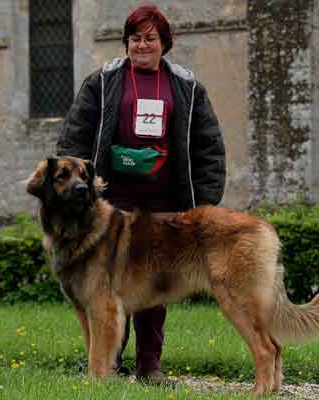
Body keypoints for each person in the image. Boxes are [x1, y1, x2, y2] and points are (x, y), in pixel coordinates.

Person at [57, 4, 226, 385]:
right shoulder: (102, 81)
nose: (142, 45)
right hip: (110, 203)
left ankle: (150, 367)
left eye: (150, 38)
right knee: (106, 285)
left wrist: (205, 202)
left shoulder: (186, 86)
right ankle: (110, 366)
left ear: (165, 43)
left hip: (165, 203)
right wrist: (74, 193)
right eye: (135, 38)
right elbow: (74, 139)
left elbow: (209, 148)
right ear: (127, 42)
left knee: (153, 283)